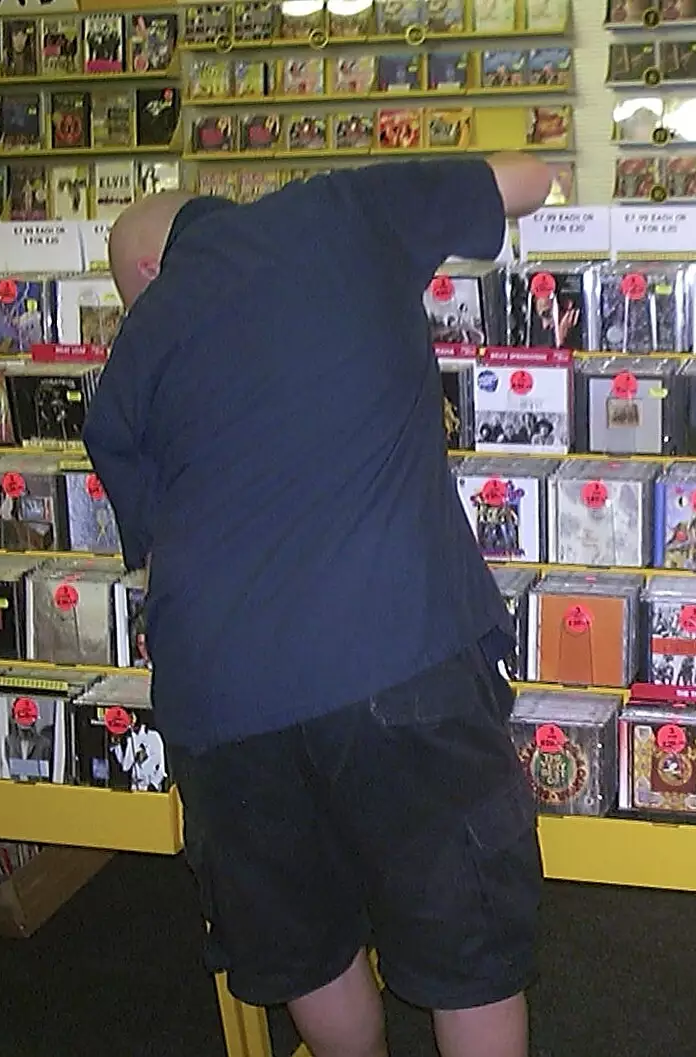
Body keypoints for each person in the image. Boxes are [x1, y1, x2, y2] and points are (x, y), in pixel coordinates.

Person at [84, 154, 554, 1057]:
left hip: (220, 705)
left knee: (305, 945)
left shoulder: (131, 360)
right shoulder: (340, 207)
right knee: (469, 942)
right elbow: (529, 177)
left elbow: (156, 547)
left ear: (148, 272)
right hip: (397, 652)